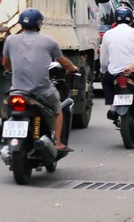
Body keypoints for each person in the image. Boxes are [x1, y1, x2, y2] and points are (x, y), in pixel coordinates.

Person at [2, 8, 79, 151]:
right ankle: (58, 142)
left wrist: (11, 70)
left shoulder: (10, 40)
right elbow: (63, 61)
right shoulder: (48, 41)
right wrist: (73, 68)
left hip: (17, 91)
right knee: (58, 109)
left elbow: (6, 62)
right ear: (39, 24)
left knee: (8, 109)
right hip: (42, 90)